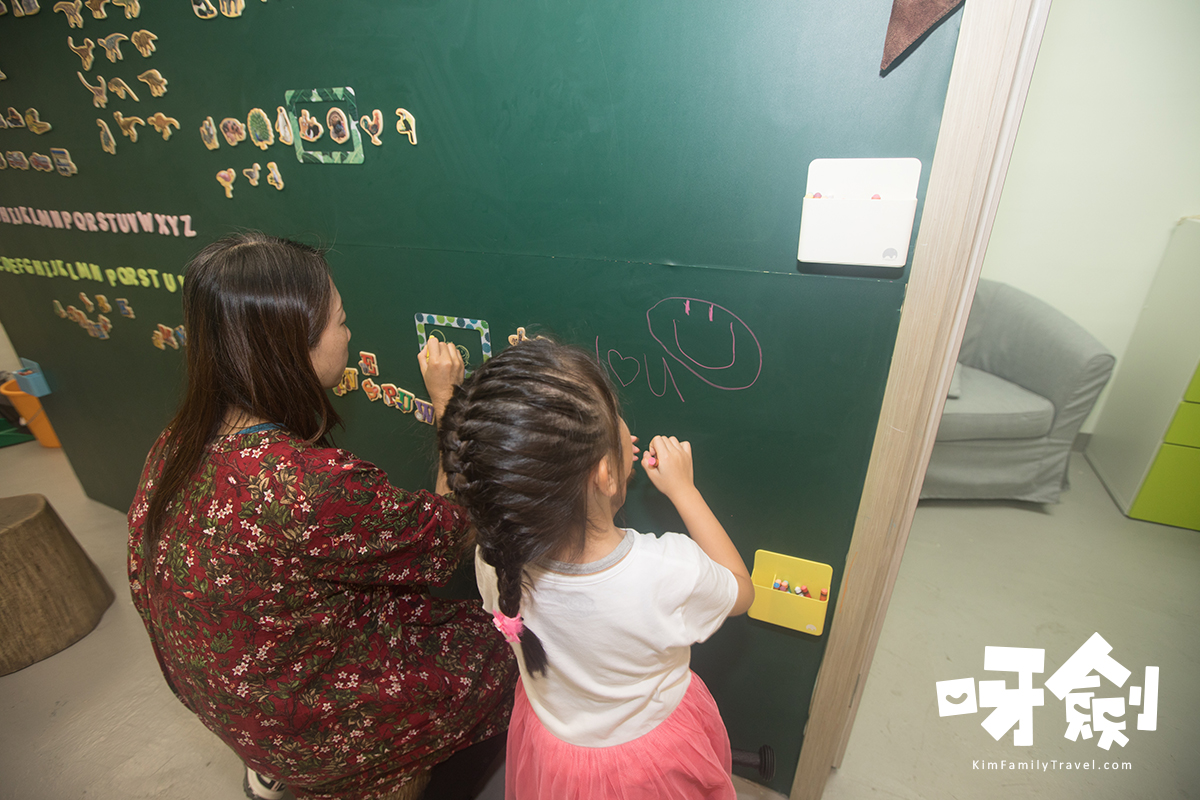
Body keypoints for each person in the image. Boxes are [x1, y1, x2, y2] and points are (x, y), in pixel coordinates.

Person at [127, 232, 517, 800]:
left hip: (225, 696)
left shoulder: (176, 442)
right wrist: (447, 401)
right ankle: (361, 769)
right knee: (507, 649)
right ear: (291, 348)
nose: (350, 333)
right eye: (341, 322)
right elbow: (450, 529)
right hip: (303, 725)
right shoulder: (308, 486)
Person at [437, 338, 756, 799]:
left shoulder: (493, 559)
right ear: (606, 474)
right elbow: (742, 592)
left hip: (554, 754)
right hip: (651, 766)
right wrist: (685, 491)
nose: (627, 431)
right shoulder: (665, 570)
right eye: (615, 419)